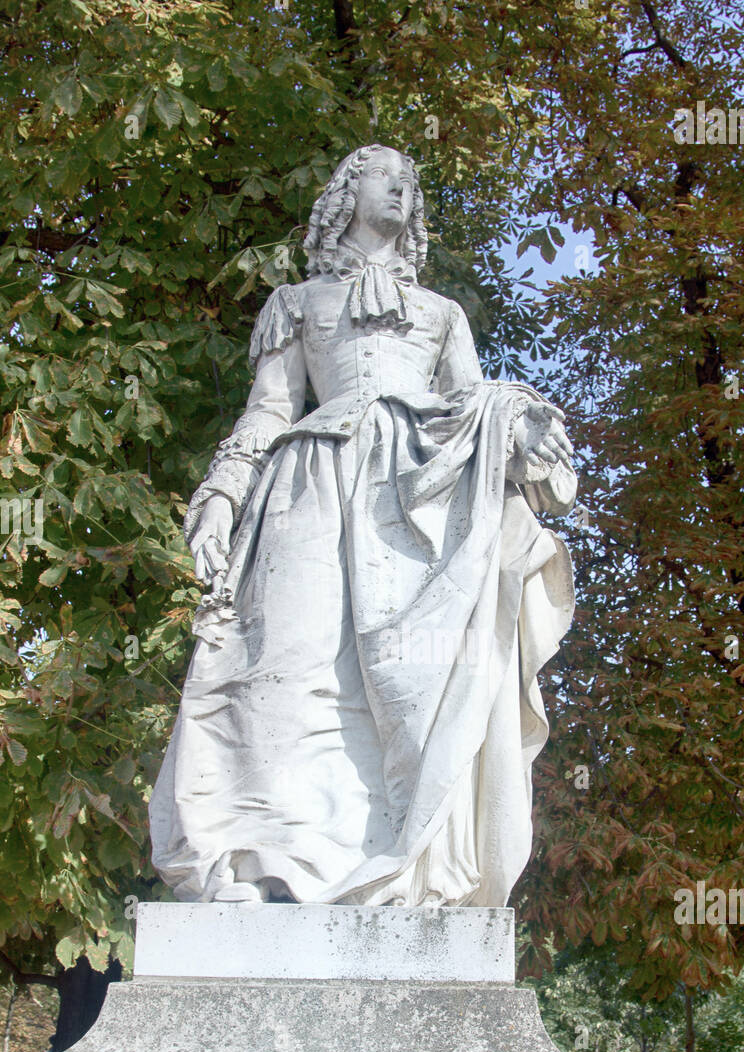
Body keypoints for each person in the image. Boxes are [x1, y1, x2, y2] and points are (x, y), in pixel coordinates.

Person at [149, 145, 576, 908]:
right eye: (386, 175)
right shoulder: (298, 303)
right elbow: (268, 410)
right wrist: (221, 494)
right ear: (346, 192)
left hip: (419, 499)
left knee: (417, 679)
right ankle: (258, 860)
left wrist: (519, 429)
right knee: (284, 663)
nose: (402, 187)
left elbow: (471, 413)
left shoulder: (442, 315)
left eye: (412, 180)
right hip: (311, 483)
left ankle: (405, 867)